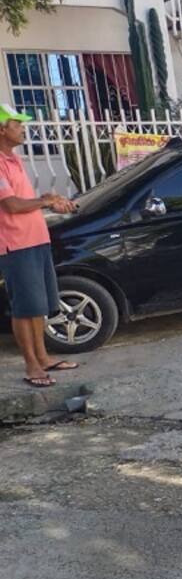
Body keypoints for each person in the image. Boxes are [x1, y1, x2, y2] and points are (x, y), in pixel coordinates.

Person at [0, 104, 79, 387]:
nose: (23, 129)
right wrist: (45, 202)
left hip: (35, 239)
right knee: (24, 308)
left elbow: (24, 200)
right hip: (16, 244)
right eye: (17, 124)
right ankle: (32, 366)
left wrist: (48, 199)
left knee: (39, 305)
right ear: (1, 129)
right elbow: (11, 205)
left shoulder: (14, 159)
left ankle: (43, 358)